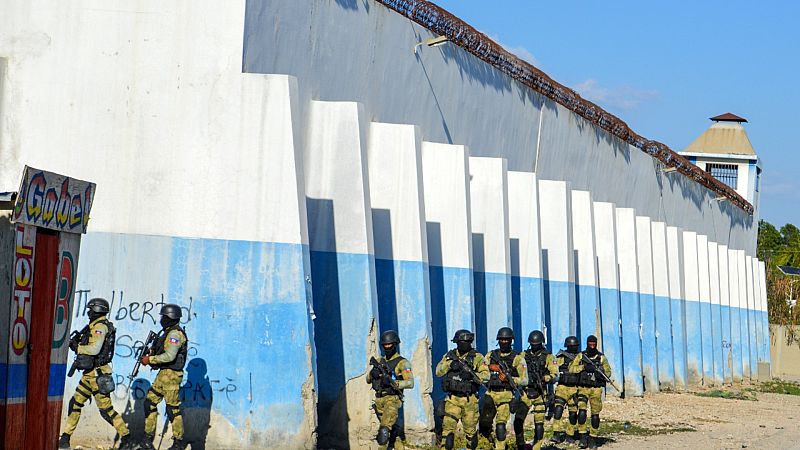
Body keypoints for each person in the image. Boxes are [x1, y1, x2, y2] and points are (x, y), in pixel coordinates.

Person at [59, 298, 133, 449]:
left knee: (106, 410)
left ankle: (127, 438)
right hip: (89, 375)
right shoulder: (95, 326)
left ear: (96, 310)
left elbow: (94, 349)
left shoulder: (100, 327)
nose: (88, 312)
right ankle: (65, 438)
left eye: (90, 310)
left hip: (97, 376)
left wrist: (78, 348)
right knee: (75, 403)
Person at [139, 304, 189, 450]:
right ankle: (147, 440)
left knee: (172, 409)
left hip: (171, 376)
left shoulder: (175, 334)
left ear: (169, 317)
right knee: (149, 402)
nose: (161, 319)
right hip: (163, 375)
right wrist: (152, 351)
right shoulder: (167, 332)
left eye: (163, 316)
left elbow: (170, 356)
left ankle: (179, 443)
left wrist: (150, 360)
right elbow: (163, 350)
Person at [435, 329, 489, 450]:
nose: (465, 344)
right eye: (462, 341)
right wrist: (450, 365)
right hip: (452, 399)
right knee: (447, 434)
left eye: (467, 342)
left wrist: (472, 375)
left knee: (471, 434)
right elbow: (438, 371)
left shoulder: (477, 357)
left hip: (470, 400)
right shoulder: (450, 356)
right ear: (457, 342)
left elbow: (486, 376)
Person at [479, 327, 528, 450]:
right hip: (490, 394)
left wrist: (509, 378)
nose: (504, 342)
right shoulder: (491, 355)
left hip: (506, 395)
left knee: (500, 425)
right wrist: (491, 367)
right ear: (498, 340)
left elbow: (525, 380)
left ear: (511, 341)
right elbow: (482, 372)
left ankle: (500, 447)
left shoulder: (517, 358)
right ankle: (489, 442)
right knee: (484, 425)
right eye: (502, 339)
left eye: (507, 340)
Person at [367, 330, 415, 450]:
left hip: (392, 399)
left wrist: (394, 383)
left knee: (384, 431)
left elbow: (410, 383)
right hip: (379, 399)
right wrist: (373, 374)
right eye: (385, 345)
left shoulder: (402, 363)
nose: (387, 347)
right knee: (392, 430)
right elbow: (368, 379)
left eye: (390, 345)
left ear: (395, 344)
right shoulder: (379, 361)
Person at [513, 330, 558, 450]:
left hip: (540, 392)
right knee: (518, 421)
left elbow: (555, 374)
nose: (534, 346)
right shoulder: (523, 356)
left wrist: (546, 378)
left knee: (539, 425)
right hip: (525, 393)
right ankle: (521, 445)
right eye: (532, 344)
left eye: (537, 344)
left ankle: (536, 447)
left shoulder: (548, 356)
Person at [575, 335, 613, 449]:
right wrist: (584, 367)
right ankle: (582, 437)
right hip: (583, 387)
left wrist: (599, 371)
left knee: (595, 415)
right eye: (590, 343)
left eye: (594, 343)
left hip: (596, 389)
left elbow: (608, 372)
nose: (592, 346)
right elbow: (572, 369)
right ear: (587, 343)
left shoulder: (601, 358)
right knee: (581, 412)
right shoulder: (581, 356)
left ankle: (593, 437)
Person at [551, 335, 583, 444]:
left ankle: (570, 434)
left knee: (573, 414)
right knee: (558, 410)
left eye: (575, 346)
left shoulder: (581, 357)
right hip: (562, 387)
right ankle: (556, 433)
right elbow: (554, 369)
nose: (573, 348)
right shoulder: (560, 357)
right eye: (571, 346)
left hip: (575, 388)